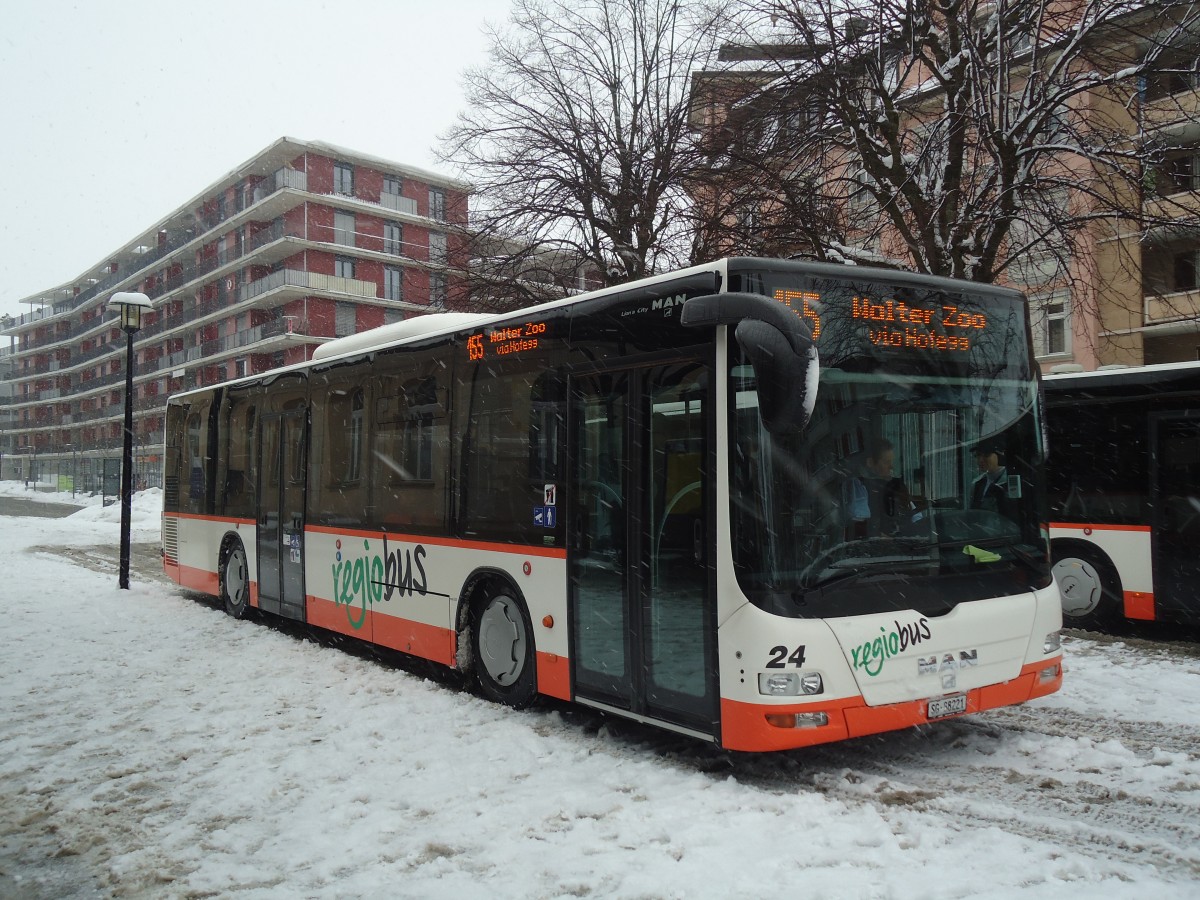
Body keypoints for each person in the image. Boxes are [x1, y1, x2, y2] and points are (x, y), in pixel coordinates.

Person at [970, 441, 1010, 514]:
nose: (980, 460)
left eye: (986, 455)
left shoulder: (1011, 481)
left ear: (1000, 455)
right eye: (978, 455)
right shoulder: (977, 483)